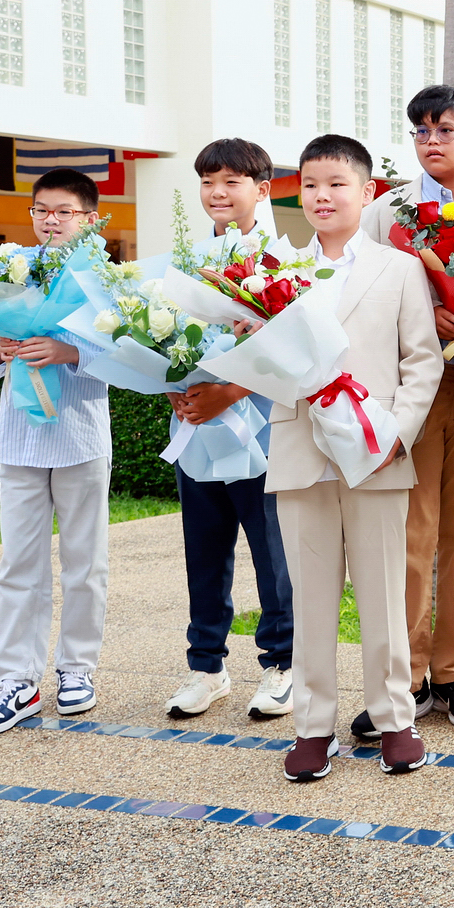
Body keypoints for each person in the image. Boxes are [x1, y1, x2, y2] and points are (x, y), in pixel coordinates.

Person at [274, 135, 444, 781]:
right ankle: (312, 726)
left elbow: (422, 361)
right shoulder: (276, 269)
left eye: (336, 183)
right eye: (311, 184)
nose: (322, 195)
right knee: (311, 597)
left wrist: (395, 434)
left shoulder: (399, 269)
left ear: (367, 192)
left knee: (383, 593)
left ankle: (395, 718)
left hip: (377, 454)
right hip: (300, 448)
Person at [357, 84, 454, 737]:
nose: (432, 139)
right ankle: (407, 676)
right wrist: (422, 315)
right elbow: (359, 292)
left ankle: (453, 670)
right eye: (420, 129)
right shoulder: (388, 213)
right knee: (412, 536)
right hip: (410, 389)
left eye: (445, 128)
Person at [0, 169, 112, 739]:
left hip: (80, 438)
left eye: (65, 211)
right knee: (18, 566)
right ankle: (17, 681)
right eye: (41, 209)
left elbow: (124, 363)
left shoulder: (105, 278)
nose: (51, 219)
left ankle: (76, 668)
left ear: (90, 219)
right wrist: (1, 351)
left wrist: (68, 351)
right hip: (20, 440)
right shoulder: (0, 272)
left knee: (85, 562)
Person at [162, 139, 294, 722]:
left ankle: (284, 666)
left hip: (262, 431)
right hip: (197, 431)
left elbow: (293, 348)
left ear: (262, 188)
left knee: (274, 557)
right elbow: (157, 333)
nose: (218, 193)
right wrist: (167, 379)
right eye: (208, 181)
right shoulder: (186, 260)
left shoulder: (283, 258)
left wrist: (232, 390)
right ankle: (206, 669)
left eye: (231, 182)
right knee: (205, 553)